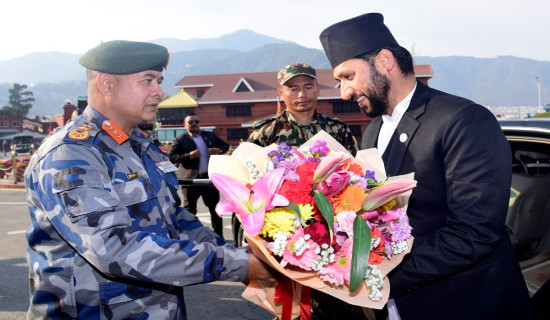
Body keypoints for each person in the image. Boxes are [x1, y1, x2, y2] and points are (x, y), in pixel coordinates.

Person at [24, 40, 280, 319]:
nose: (158, 91)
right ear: (106, 84)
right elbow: (113, 248)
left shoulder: (140, 144)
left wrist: (239, 255)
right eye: (147, 80)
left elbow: (174, 218)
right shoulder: (71, 153)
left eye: (159, 80)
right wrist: (240, 265)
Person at [314, 13, 534, 320]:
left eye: (348, 77)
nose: (344, 92)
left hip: (465, 303)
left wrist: (375, 277)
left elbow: (474, 233)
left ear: (384, 61)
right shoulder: (373, 131)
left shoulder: (463, 120)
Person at [247, 62, 358, 155]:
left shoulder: (338, 129)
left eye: (308, 87)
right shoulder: (266, 131)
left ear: (317, 89)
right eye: (294, 89)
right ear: (281, 93)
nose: (302, 94)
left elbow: (356, 167)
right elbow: (245, 169)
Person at [168, 113, 229, 237]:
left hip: (208, 180)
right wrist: (189, 156)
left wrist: (219, 151)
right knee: (190, 212)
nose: (194, 124)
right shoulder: (180, 139)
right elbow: (170, 156)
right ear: (184, 125)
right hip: (190, 181)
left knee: (216, 211)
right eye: (190, 122)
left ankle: (220, 238)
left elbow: (225, 145)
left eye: (196, 121)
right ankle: (190, 239)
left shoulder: (209, 136)